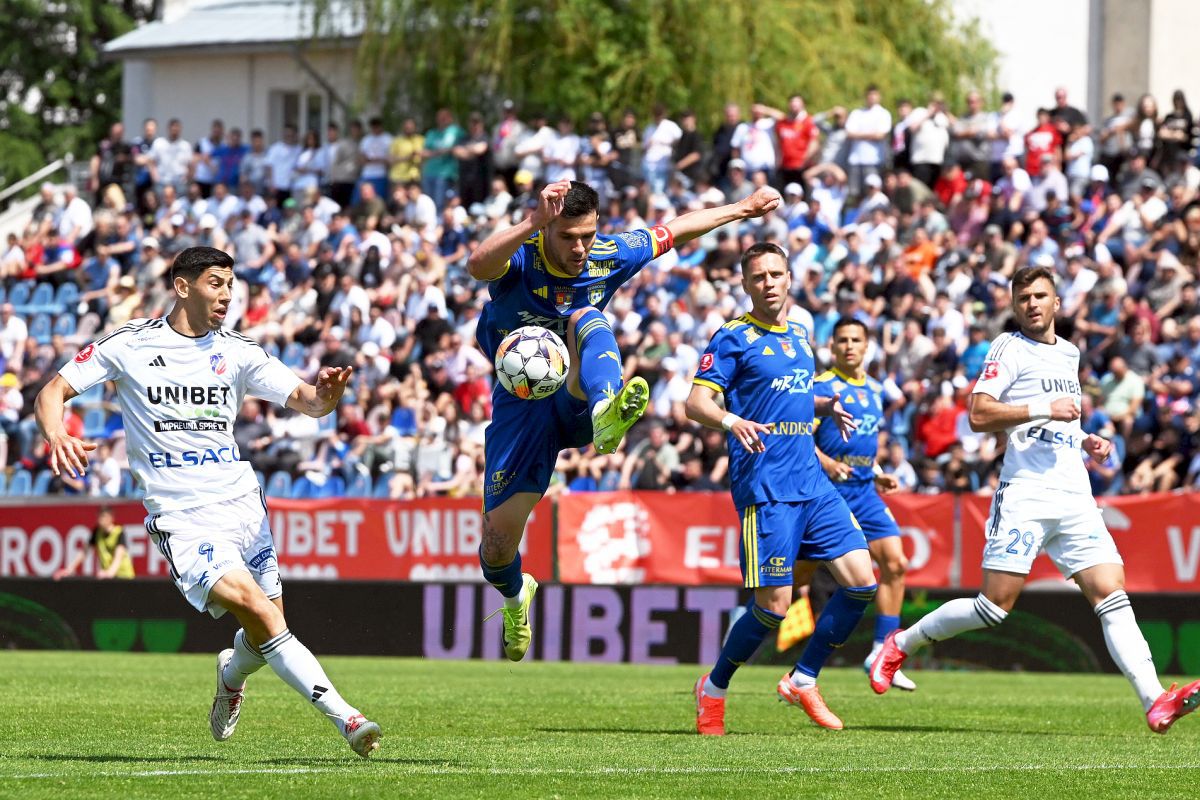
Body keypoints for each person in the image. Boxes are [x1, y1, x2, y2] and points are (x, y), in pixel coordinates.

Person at [34, 246, 381, 757]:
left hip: (241, 505)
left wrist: (328, 394)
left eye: (230, 285)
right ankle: (347, 718)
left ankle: (230, 673)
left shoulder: (238, 351)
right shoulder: (130, 344)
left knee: (264, 629)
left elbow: (309, 402)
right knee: (260, 614)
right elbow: (52, 391)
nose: (226, 295)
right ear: (182, 286)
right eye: (216, 283)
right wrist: (56, 433)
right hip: (180, 513)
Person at [870, 265, 1200, 735]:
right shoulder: (1008, 347)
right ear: (1014, 304)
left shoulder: (1069, 353)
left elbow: (1061, 421)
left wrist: (1085, 440)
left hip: (1074, 494)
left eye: (1040, 296)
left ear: (1057, 303)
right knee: (994, 607)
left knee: (1111, 592)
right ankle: (901, 644)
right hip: (1026, 492)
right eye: (1024, 298)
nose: (1032, 304)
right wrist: (1046, 408)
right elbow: (979, 413)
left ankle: (1155, 700)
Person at [468, 180, 780, 663]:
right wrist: (532, 221)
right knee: (496, 544)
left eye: (588, 235)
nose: (580, 248)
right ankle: (514, 597)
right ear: (548, 228)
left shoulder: (608, 255)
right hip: (521, 404)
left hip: (577, 389)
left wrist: (741, 208)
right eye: (568, 236)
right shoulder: (523, 254)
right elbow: (477, 266)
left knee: (587, 319)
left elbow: (674, 230)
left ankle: (605, 411)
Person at [688, 243, 877, 735]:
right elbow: (695, 403)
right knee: (773, 608)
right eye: (759, 276)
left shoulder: (799, 335)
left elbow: (789, 396)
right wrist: (730, 420)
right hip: (766, 486)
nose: (768, 283)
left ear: (789, 278)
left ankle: (803, 678)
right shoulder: (732, 337)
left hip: (812, 482)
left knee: (862, 582)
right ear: (745, 284)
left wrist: (824, 405)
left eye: (776, 274)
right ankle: (713, 687)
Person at [797, 317, 914, 691]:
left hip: (864, 492)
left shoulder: (876, 390)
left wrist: (877, 472)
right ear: (832, 347)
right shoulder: (820, 387)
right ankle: (747, 625)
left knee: (895, 563)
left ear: (867, 347)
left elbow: (863, 442)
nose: (849, 346)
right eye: (843, 340)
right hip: (826, 495)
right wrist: (827, 463)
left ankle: (881, 652)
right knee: (791, 582)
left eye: (855, 340)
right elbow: (799, 438)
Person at [53, 505, 135, 580]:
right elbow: (84, 552)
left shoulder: (119, 532)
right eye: (99, 516)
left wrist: (110, 572)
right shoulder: (97, 532)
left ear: (111, 518)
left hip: (124, 577)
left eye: (103, 516)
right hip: (108, 577)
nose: (100, 519)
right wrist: (69, 569)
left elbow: (119, 556)